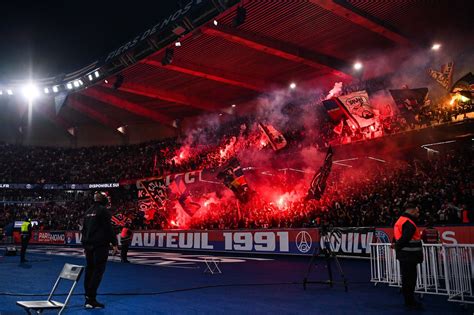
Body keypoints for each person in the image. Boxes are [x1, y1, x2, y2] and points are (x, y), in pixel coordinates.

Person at [82, 191, 118, 309]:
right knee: (98, 270)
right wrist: (115, 243)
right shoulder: (103, 211)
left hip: (89, 245)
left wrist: (84, 244)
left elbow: (84, 230)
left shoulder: (87, 212)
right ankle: (91, 299)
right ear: (103, 199)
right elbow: (108, 228)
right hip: (100, 246)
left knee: (90, 270)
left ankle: (87, 298)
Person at [393, 204, 423, 309]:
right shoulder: (409, 223)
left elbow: (398, 237)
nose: (418, 214)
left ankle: (409, 301)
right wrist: (398, 246)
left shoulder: (400, 221)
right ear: (412, 211)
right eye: (417, 212)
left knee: (407, 279)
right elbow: (405, 238)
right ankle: (410, 302)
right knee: (410, 280)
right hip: (410, 255)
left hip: (405, 255)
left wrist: (397, 246)